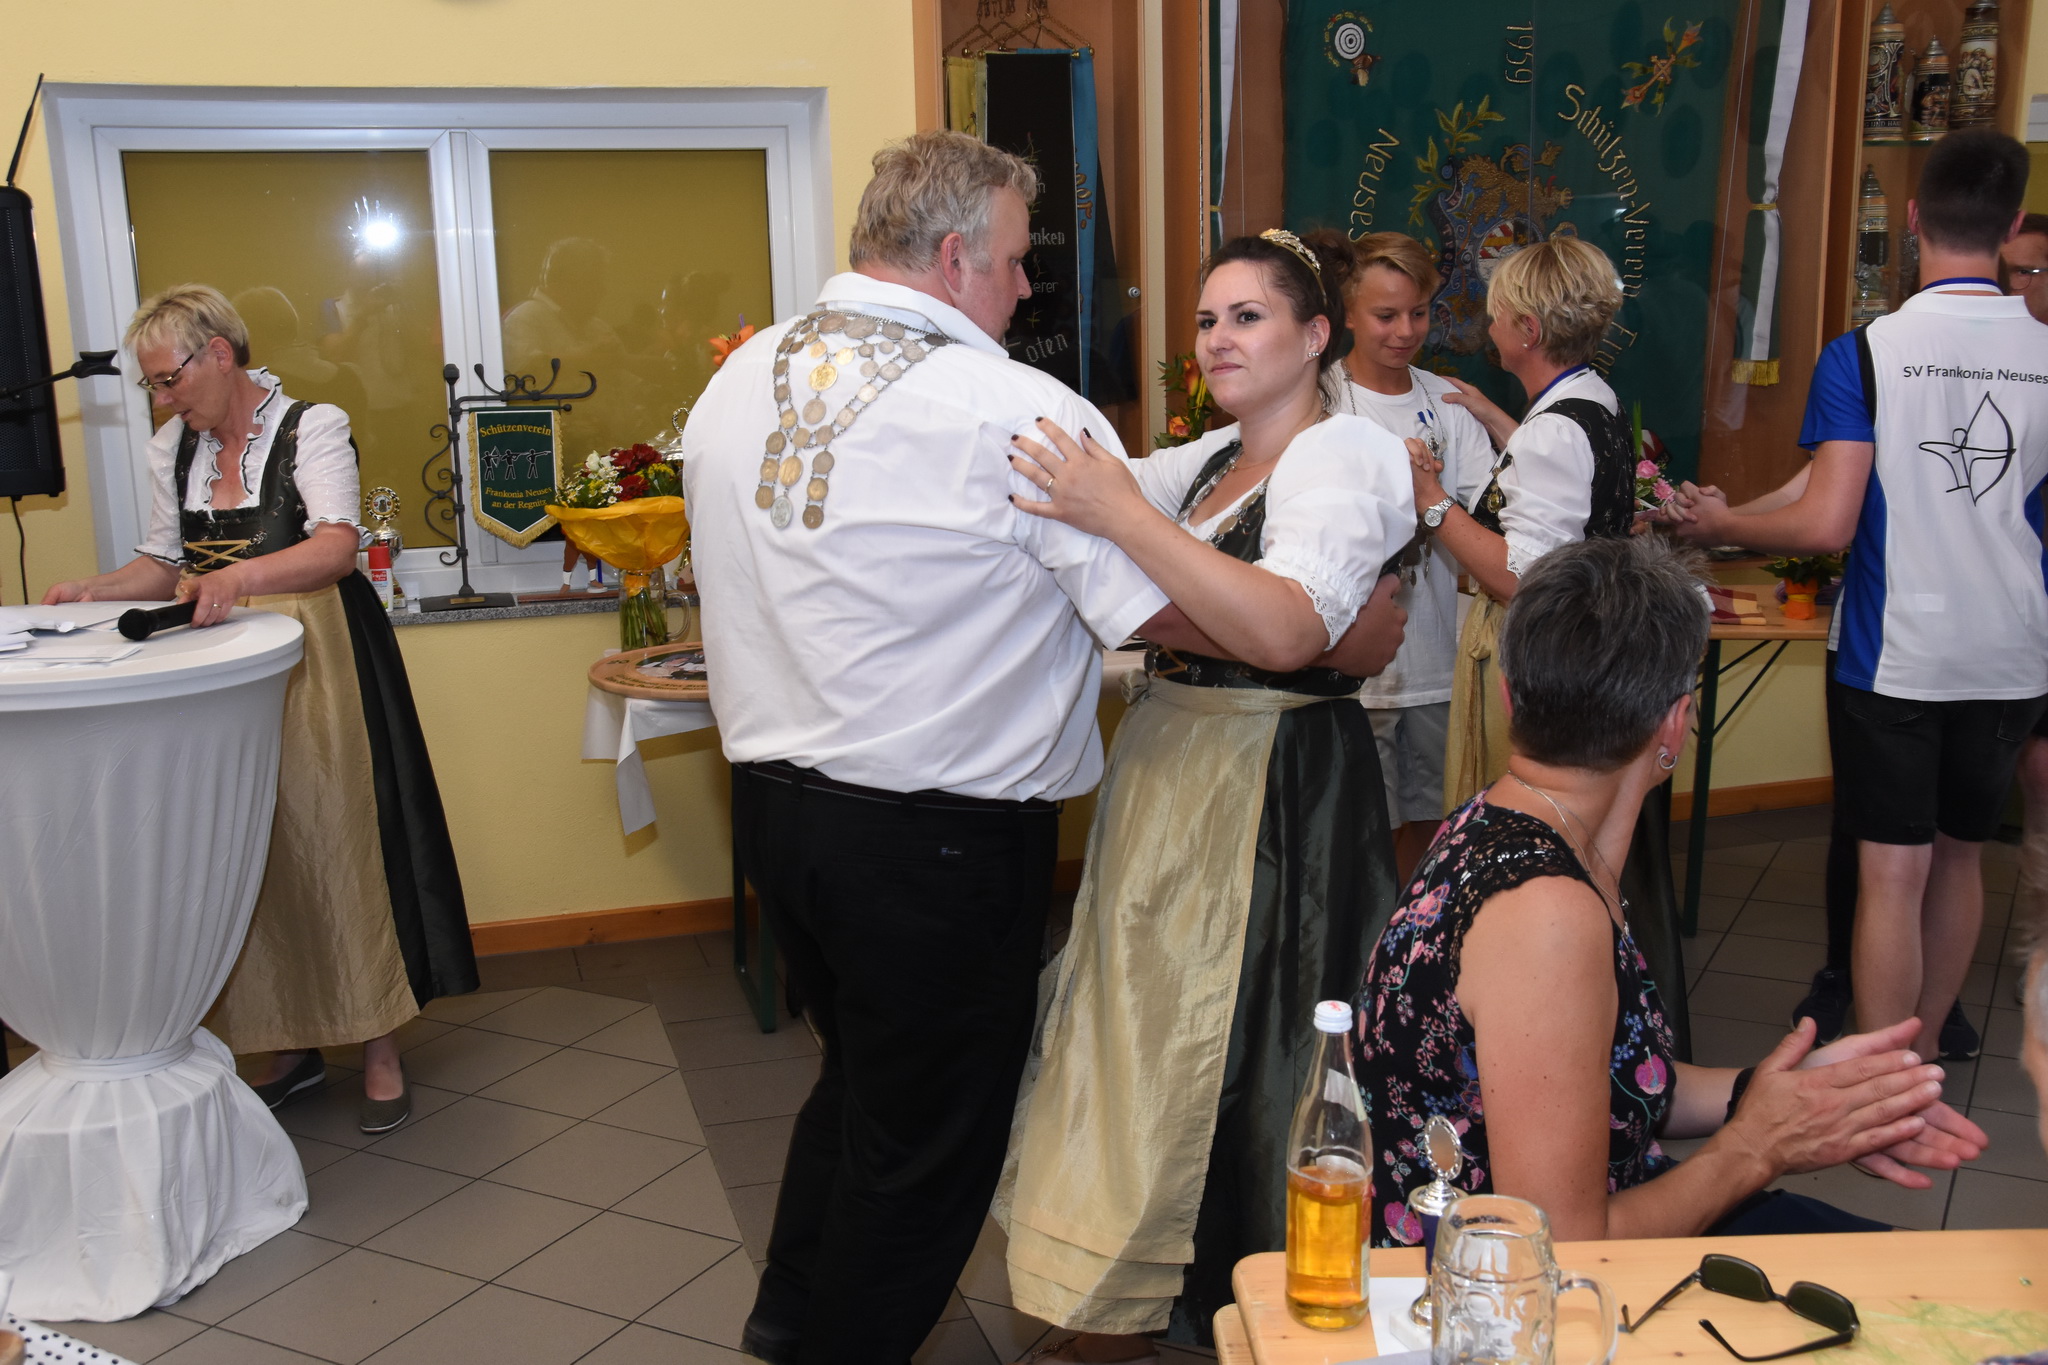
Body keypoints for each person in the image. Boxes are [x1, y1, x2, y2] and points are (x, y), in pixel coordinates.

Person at [679, 131, 1171, 1365]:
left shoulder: (739, 377)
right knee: (930, 1146)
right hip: (935, 842)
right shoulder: (1016, 410)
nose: (1024, 287)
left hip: (778, 817)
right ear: (953, 259)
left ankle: (788, 1314)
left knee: (859, 1081)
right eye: (1012, 261)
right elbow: (1147, 608)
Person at [998, 228, 1413, 1358]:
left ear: (1315, 335)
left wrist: (1122, 522)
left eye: (1247, 316)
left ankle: (1243, 1281)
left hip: (1268, 782)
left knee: (1240, 1034)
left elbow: (1285, 628)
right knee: (1140, 1021)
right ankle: (1124, 1279)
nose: (1217, 338)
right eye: (1204, 320)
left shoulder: (1341, 455)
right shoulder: (1211, 458)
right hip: (1175, 764)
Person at [1357, 535, 1988, 1243]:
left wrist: (1780, 1090)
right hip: (1495, 1284)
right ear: (1675, 724)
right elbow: (1562, 1247)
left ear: (1511, 697)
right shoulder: (1544, 914)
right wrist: (1760, 1144)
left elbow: (1613, 1077)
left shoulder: (1503, 823)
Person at [44, 284, 476, 1135]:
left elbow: (335, 548)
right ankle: (287, 1042)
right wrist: (95, 589)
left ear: (219, 354)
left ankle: (378, 1044)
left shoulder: (312, 425)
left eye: (168, 379)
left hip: (318, 661)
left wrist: (238, 577)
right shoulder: (172, 447)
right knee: (247, 851)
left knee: (337, 840)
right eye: (152, 386)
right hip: (217, 675)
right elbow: (164, 564)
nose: (162, 400)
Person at [1675, 129, 2048, 1063]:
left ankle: (1884, 1081)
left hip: (1898, 651)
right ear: (2011, 228)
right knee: (1961, 857)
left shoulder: (1868, 353)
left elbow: (1826, 521)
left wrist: (1723, 524)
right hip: (2015, 649)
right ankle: (1922, 1065)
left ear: (1913, 217)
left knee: (1891, 873)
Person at [1407, 236, 1690, 1053]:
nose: (1488, 327)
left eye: (1497, 315)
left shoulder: (1551, 433)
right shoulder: (1592, 397)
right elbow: (1557, 459)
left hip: (1533, 650)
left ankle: (1523, 1004)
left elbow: (1521, 576)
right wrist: (1499, 421)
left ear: (1527, 330)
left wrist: (1432, 502)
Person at [1334, 232, 1493, 880]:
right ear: (1346, 313)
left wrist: (1433, 498)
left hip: (1431, 666)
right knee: (1359, 837)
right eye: (1385, 315)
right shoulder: (1319, 401)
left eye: (1418, 313)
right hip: (1348, 675)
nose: (1405, 331)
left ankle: (1410, 941)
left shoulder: (1446, 403)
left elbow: (1487, 521)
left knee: (1432, 833)